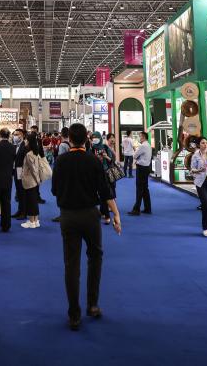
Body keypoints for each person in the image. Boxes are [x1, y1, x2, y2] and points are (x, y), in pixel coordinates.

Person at [52, 123, 121, 331]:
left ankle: (74, 314)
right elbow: (105, 191)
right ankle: (92, 305)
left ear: (69, 139)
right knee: (95, 258)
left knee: (71, 264)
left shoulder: (61, 161)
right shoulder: (93, 160)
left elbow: (54, 190)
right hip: (91, 215)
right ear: (86, 140)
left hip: (68, 216)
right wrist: (116, 214)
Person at [21, 133, 49, 229]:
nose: (25, 141)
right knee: (34, 200)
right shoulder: (35, 152)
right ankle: (36, 220)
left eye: (26, 140)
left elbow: (33, 169)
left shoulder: (29, 154)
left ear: (29, 142)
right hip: (35, 181)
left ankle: (31, 221)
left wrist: (37, 180)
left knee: (30, 201)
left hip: (30, 181)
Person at [128, 132, 153, 215]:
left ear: (144, 137)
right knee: (145, 189)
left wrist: (137, 155)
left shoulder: (143, 146)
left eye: (140, 136)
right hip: (146, 168)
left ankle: (136, 209)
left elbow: (135, 155)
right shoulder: (148, 145)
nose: (139, 138)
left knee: (140, 189)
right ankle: (147, 208)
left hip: (141, 168)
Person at [13, 129, 28, 219]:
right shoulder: (15, 145)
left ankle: (24, 212)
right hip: (16, 170)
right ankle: (19, 210)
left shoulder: (25, 145)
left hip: (22, 170)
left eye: (17, 134)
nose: (15, 136)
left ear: (22, 135)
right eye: (14, 134)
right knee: (18, 191)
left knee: (22, 192)